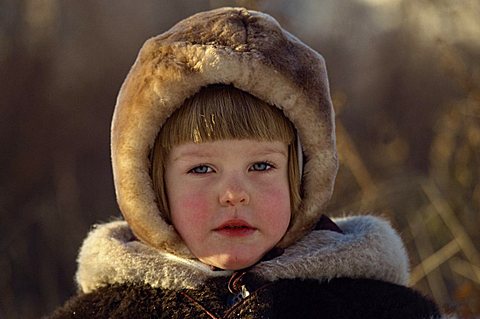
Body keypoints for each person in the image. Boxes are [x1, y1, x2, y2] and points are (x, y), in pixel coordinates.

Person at [47, 7, 443, 319]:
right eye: (201, 169)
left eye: (261, 166)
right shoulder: (107, 312)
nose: (234, 194)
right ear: (151, 188)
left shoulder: (375, 307)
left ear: (303, 178)